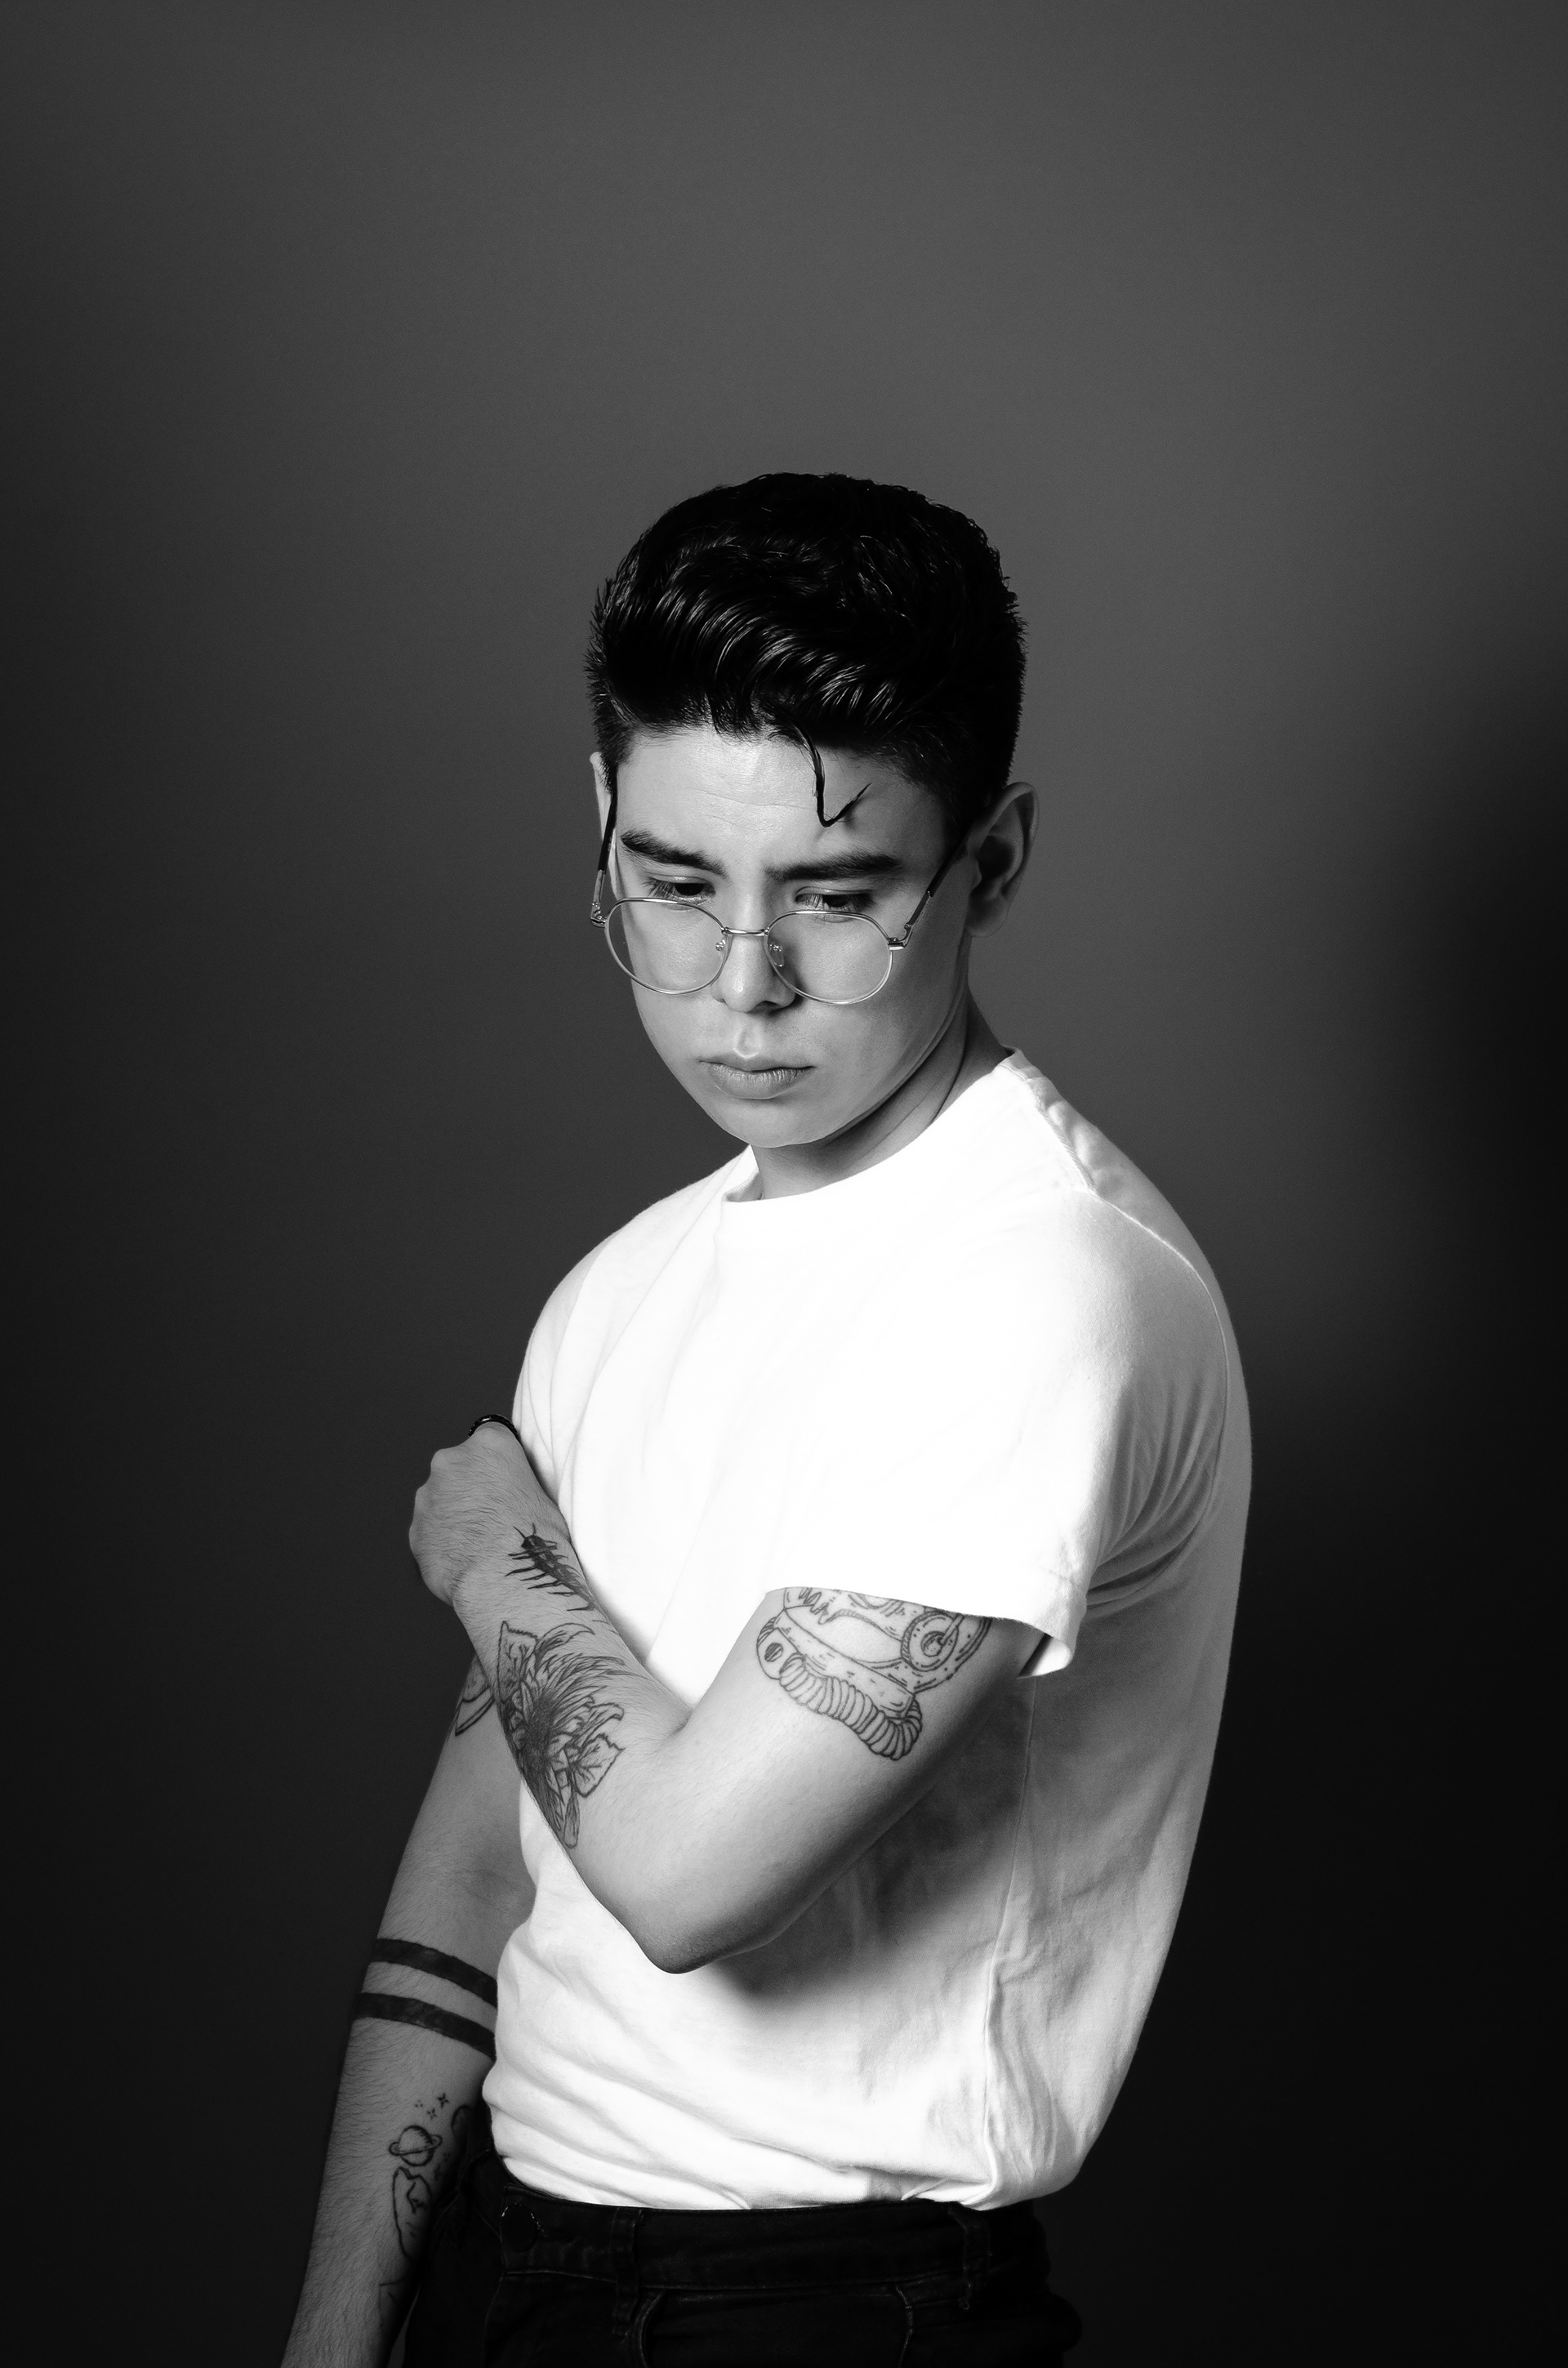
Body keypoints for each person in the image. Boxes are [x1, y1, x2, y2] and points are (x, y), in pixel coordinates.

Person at [282, 473, 1250, 2367]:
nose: (744, 987)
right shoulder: (622, 1288)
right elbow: (482, 1870)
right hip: (504, 2257)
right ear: (601, 817)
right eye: (674, 883)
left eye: (838, 893)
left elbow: (678, 1873)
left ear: (993, 855)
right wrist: (336, 2331)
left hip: (825, 2308)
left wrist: (492, 1550)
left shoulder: (1043, 1290)